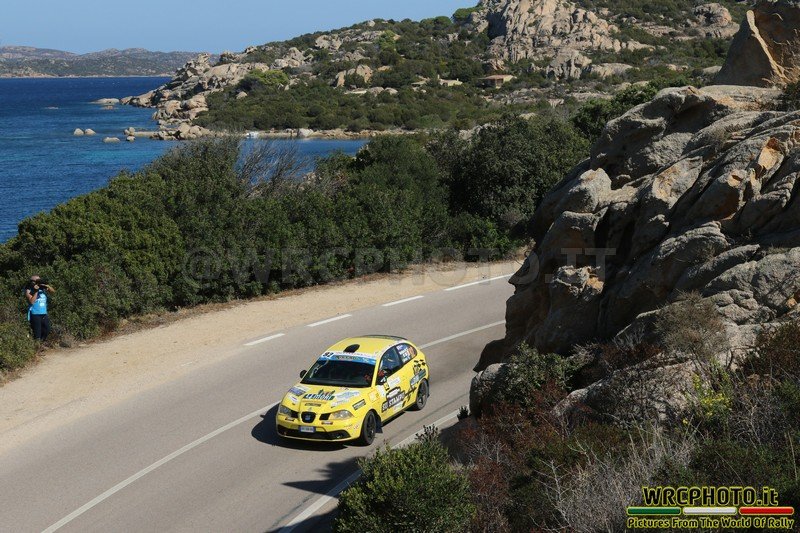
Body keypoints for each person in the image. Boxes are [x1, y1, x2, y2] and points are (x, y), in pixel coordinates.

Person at [25, 275, 54, 341]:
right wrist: (36, 291)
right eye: (37, 281)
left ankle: (41, 343)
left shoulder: (42, 288)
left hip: (44, 313)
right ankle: (37, 344)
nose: (39, 282)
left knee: (47, 330)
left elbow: (53, 291)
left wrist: (47, 286)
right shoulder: (28, 290)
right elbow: (32, 302)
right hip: (35, 314)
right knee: (37, 333)